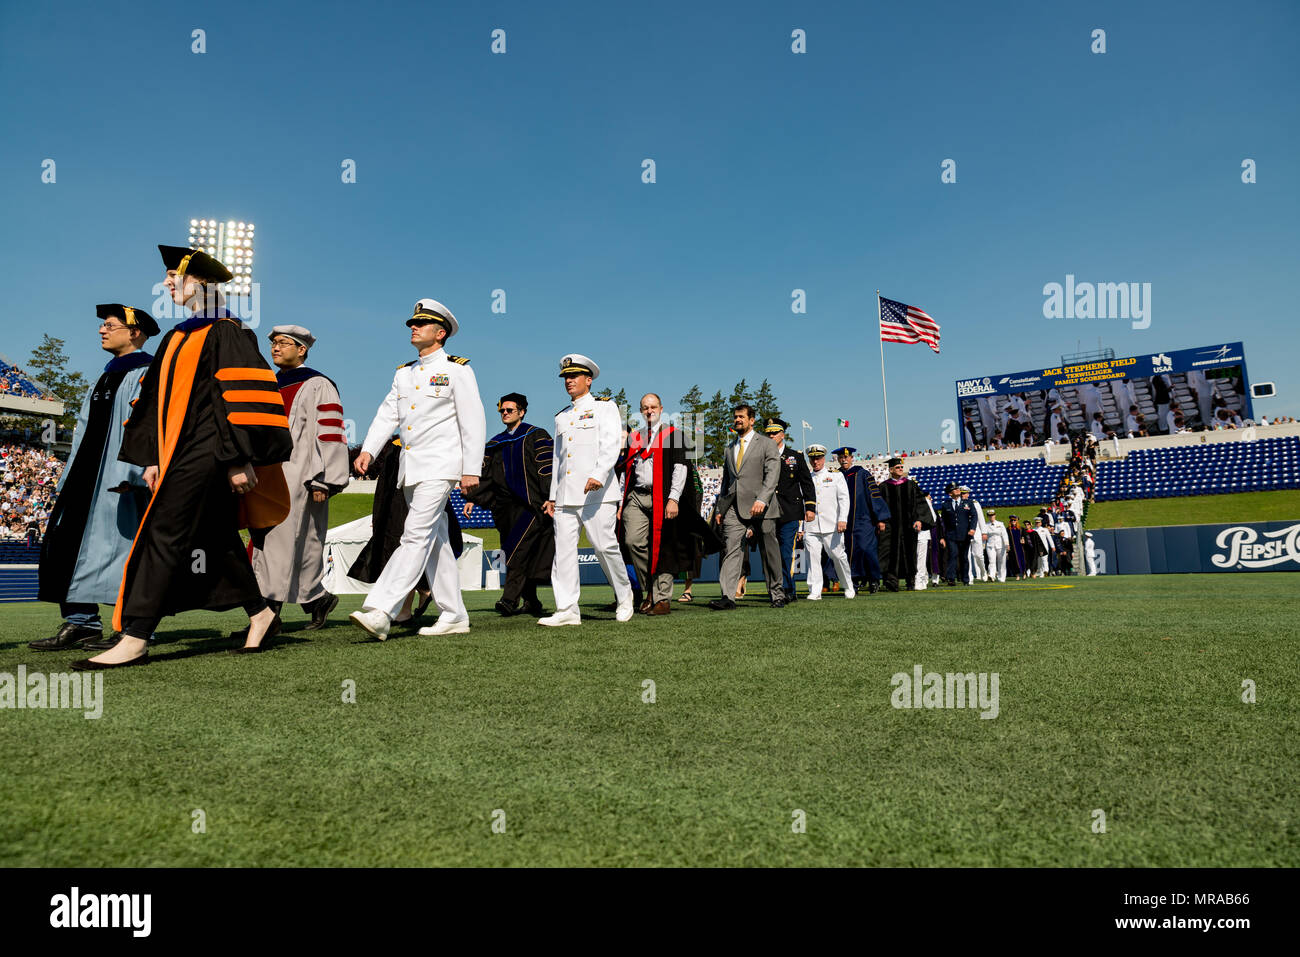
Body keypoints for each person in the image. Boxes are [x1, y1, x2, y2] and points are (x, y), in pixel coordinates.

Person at [74, 246, 293, 670]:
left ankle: (135, 635)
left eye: (176, 274)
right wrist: (152, 455)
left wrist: (237, 458)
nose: (168, 282)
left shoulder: (228, 331)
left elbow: (239, 399)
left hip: (211, 449)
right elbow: (154, 399)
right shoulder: (177, 337)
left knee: (163, 528)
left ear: (203, 284)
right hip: (175, 451)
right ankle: (261, 612)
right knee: (213, 536)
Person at [350, 298, 487, 640]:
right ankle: (454, 614)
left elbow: (473, 421)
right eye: (412, 323)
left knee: (413, 535)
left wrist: (471, 468)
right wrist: (369, 449)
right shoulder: (404, 373)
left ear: (440, 333)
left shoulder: (458, 370)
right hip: (411, 469)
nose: (413, 327)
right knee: (436, 541)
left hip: (441, 466)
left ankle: (382, 609)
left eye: (421, 324)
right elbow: (387, 415)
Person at [31, 304, 158, 651]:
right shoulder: (105, 374)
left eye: (110, 325)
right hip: (86, 478)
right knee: (67, 546)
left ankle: (133, 626)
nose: (102, 330)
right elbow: (84, 430)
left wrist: (131, 471)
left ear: (134, 332)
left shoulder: (146, 372)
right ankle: (81, 622)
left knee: (124, 550)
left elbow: (147, 426)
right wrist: (67, 477)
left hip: (121, 479)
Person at [249, 325, 350, 629]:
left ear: (301, 349)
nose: (275, 348)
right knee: (282, 544)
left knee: (284, 543)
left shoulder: (318, 384)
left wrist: (326, 478)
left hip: (301, 476)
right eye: (274, 344)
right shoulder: (270, 384)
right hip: (267, 476)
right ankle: (316, 599)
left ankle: (268, 616)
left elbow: (330, 432)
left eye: (283, 343)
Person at [539, 354, 634, 625]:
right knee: (564, 553)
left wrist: (598, 475)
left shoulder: (605, 407)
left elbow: (611, 444)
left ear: (588, 380)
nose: (569, 381)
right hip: (567, 494)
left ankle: (624, 596)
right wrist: (552, 496)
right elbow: (559, 460)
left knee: (604, 546)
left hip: (597, 492)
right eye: (566, 377)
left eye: (574, 376)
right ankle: (567, 610)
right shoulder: (562, 416)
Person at [617, 393, 710, 616]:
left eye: (653, 407)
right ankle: (649, 589)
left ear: (661, 408)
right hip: (637, 496)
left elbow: (681, 468)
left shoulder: (674, 435)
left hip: (663, 497)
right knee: (632, 542)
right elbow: (626, 471)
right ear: (641, 411)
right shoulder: (636, 437)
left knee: (666, 545)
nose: (649, 411)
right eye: (645, 408)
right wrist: (621, 501)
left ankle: (662, 599)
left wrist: (673, 498)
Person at [463, 392, 554, 617]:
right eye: (502, 410)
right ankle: (531, 601)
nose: (505, 413)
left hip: (531, 505)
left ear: (521, 412)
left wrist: (550, 496)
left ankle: (509, 599)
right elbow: (484, 475)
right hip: (504, 508)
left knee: (517, 550)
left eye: (510, 410)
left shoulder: (536, 436)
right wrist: (472, 498)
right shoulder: (496, 443)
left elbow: (548, 468)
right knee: (513, 552)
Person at [710, 404, 784, 610]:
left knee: (769, 551)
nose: (737, 420)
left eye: (741, 417)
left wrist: (762, 499)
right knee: (731, 549)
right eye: (735, 417)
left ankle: (777, 593)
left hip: (764, 506)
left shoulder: (767, 444)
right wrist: (720, 509)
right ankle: (727, 596)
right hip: (734, 507)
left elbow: (772, 474)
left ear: (752, 420)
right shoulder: (729, 448)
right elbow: (727, 481)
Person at [833, 446, 889, 592]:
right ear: (838, 459)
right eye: (841, 457)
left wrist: (880, 518)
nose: (844, 459)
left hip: (863, 519)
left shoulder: (862, 474)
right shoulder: (835, 476)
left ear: (852, 458)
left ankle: (874, 579)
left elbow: (874, 495)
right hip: (843, 521)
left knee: (866, 548)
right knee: (849, 551)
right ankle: (854, 581)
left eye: (846, 457)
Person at [801, 445, 854, 600]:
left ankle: (848, 585)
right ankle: (815, 590)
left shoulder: (836, 476)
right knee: (813, 558)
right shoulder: (806, 478)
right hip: (811, 525)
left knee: (838, 556)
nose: (815, 461)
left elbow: (844, 499)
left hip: (832, 524)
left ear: (824, 458)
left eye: (818, 458)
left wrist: (842, 519)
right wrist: (801, 527)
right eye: (812, 458)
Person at [878, 457, 927, 592]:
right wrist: (880, 520)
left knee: (909, 552)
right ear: (891, 470)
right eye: (898, 467)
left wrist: (918, 519)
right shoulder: (883, 486)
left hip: (908, 526)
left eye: (901, 467)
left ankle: (910, 580)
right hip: (890, 527)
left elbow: (919, 503)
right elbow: (878, 506)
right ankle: (892, 582)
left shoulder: (911, 485)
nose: (900, 469)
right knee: (889, 553)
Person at [938, 482, 975, 585]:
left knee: (964, 557)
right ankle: (951, 578)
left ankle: (965, 579)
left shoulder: (968, 503)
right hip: (951, 535)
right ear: (950, 493)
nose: (958, 490)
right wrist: (943, 536)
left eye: (957, 488)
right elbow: (943, 522)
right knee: (953, 555)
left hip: (965, 534)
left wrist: (972, 529)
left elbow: (974, 516)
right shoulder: (946, 505)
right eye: (954, 489)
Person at [962, 486, 989, 583]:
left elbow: (980, 518)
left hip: (976, 531)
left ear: (968, 494)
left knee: (978, 555)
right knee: (967, 555)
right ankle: (970, 577)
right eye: (962, 493)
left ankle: (983, 571)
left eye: (965, 493)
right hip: (964, 532)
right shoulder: (958, 504)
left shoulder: (975, 503)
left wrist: (984, 532)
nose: (964, 495)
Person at [914, 491, 939, 590]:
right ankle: (921, 577)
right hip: (910, 533)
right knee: (915, 558)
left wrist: (921, 521)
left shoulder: (925, 502)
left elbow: (933, 518)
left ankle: (920, 580)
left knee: (921, 558)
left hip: (922, 533)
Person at [984, 508, 1009, 583]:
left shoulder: (1000, 524)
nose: (991, 517)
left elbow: (1004, 534)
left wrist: (1007, 544)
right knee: (992, 561)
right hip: (990, 545)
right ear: (987, 516)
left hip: (1000, 545)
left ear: (995, 515)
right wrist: (983, 545)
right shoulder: (985, 525)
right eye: (989, 516)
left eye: (992, 515)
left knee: (1001, 561)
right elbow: (984, 536)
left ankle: (1001, 577)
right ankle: (992, 575)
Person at [1006, 515, 1028, 580]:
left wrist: (1024, 540)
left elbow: (1026, 537)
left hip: (1021, 548)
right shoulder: (1008, 530)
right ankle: (1017, 575)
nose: (1013, 521)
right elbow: (1006, 538)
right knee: (1014, 561)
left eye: (1014, 520)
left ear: (1017, 521)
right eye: (1012, 520)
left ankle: (1024, 573)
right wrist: (1007, 546)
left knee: (1022, 560)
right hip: (1013, 548)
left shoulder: (1021, 529)